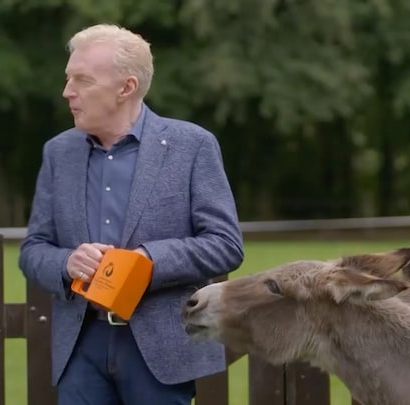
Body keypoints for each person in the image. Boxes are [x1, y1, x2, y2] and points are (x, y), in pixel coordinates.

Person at [18, 23, 245, 405]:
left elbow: (225, 245)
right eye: (68, 78)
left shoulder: (192, 146)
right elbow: (33, 250)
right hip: (81, 348)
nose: (67, 92)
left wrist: (146, 261)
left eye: (82, 80)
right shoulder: (57, 153)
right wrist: (66, 262)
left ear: (126, 87)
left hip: (161, 351)